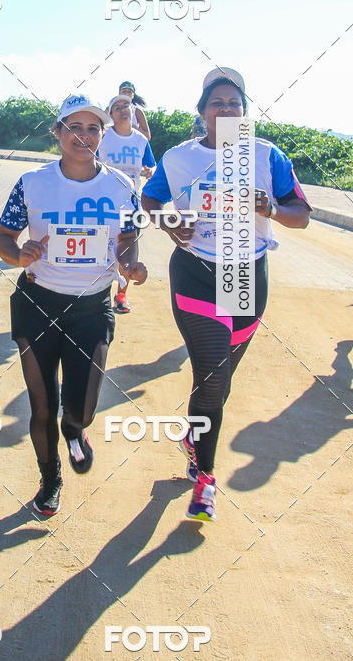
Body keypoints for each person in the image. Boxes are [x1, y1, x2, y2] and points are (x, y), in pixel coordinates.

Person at [141, 67, 311, 523]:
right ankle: (205, 480)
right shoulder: (179, 158)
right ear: (202, 113)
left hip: (246, 276)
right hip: (196, 272)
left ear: (245, 112)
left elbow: (301, 214)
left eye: (235, 103)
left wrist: (272, 208)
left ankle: (194, 436)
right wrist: (168, 222)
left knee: (218, 382)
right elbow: (149, 200)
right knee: (213, 377)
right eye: (217, 102)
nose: (226, 109)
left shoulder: (267, 156)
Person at [0, 93, 147, 516]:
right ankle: (50, 479)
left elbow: (128, 238)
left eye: (93, 128)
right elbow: (2, 237)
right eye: (74, 127)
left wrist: (129, 265)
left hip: (91, 309)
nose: (84, 136)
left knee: (79, 407)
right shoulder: (32, 183)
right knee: (42, 405)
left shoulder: (121, 187)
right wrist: (18, 254)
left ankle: (75, 428)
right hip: (38, 304)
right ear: (57, 132)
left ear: (103, 136)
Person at [99, 94, 156, 314]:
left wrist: (151, 171)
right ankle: (97, 293)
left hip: (130, 203)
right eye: (117, 107)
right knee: (100, 249)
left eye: (127, 106)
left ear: (133, 112)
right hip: (103, 203)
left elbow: (151, 165)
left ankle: (121, 296)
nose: (123, 109)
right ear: (111, 115)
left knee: (129, 250)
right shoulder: (103, 137)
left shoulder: (141, 140)